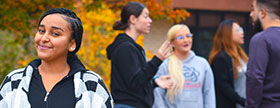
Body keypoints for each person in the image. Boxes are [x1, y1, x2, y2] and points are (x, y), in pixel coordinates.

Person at [0, 8, 113, 108]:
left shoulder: (92, 84)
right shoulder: (14, 82)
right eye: (41, 31)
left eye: (55, 34)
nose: (44, 38)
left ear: (72, 44)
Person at [106, 2, 173, 108]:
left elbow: (133, 82)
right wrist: (157, 59)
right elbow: (135, 83)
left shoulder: (131, 47)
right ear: (132, 19)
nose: (150, 20)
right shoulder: (125, 48)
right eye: (146, 16)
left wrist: (154, 82)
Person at [152, 24, 216, 108]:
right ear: (172, 43)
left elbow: (209, 95)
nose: (186, 40)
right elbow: (157, 97)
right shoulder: (164, 65)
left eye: (188, 36)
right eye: (180, 38)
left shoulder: (203, 64)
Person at [246, 0, 280, 107]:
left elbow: (255, 78)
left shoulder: (261, 39)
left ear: (262, 13)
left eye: (253, 9)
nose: (251, 14)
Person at [209, 19, 248, 108]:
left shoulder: (242, 55)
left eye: (241, 29)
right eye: (238, 30)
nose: (242, 33)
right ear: (228, 34)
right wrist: (243, 101)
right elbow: (224, 87)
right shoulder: (220, 58)